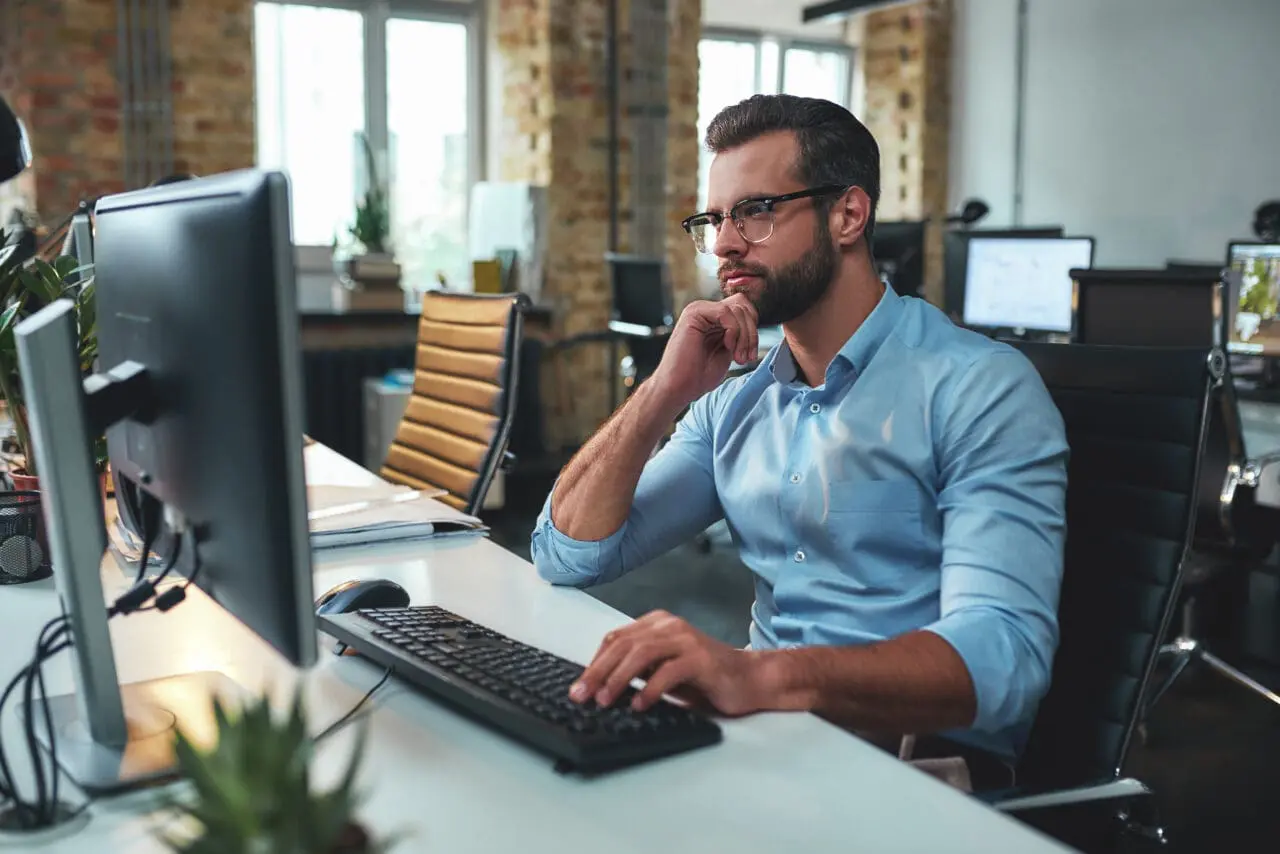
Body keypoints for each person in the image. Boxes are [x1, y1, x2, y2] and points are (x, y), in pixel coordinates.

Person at [529, 94, 1068, 786]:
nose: (723, 243)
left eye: (754, 212)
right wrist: (661, 391)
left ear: (847, 214)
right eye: (714, 219)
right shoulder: (733, 396)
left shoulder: (979, 388)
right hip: (769, 737)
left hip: (914, 762)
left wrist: (759, 675)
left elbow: (1004, 658)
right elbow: (568, 553)